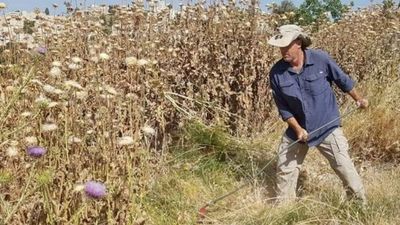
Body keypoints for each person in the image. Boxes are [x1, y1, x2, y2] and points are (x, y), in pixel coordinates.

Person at [267, 24, 368, 204]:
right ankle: (284, 210)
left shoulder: (321, 59)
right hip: (297, 131)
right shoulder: (276, 73)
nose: (282, 51)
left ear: (298, 43)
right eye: (280, 47)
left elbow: (342, 80)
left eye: (286, 46)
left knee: (344, 166)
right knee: (285, 167)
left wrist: (358, 99)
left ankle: (360, 205)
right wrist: (298, 129)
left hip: (326, 126)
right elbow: (283, 108)